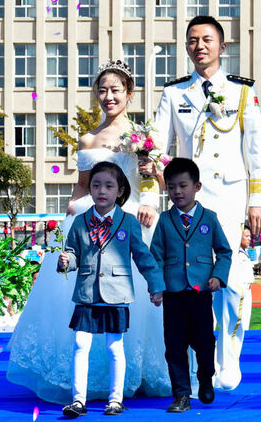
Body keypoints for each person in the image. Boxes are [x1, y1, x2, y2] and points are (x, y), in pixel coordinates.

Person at [7, 61, 169, 403]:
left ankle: (134, 375)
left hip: (130, 222)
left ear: (129, 93)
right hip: (90, 223)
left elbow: (152, 178)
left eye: (116, 90)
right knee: (81, 298)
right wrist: (71, 210)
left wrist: (150, 202)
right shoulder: (87, 138)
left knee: (133, 302)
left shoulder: (142, 136)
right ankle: (87, 381)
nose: (108, 97)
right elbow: (82, 187)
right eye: (102, 90)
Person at [150, 15, 261, 389]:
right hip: (188, 205)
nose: (199, 46)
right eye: (191, 41)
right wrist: (153, 194)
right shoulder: (174, 94)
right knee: (190, 288)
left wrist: (258, 201)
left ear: (221, 46)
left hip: (231, 202)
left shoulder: (242, 92)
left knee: (231, 283)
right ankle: (198, 366)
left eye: (206, 39)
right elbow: (154, 149)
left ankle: (228, 360)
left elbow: (256, 150)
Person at [58, 162, 165, 417]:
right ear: (90, 190)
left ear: (119, 191)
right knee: (80, 344)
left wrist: (156, 287)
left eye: (108, 185)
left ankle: (115, 400)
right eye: (96, 185)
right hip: (86, 294)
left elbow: (144, 257)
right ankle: (78, 401)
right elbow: (73, 254)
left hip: (116, 295)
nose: (101, 191)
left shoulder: (128, 222)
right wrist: (66, 262)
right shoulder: (80, 222)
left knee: (114, 347)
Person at [149, 158, 233, 413]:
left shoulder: (210, 218)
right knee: (174, 346)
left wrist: (218, 277)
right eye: (171, 186)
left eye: (183, 185)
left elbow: (225, 252)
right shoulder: (164, 220)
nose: (177, 192)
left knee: (205, 343)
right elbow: (155, 256)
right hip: (173, 293)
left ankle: (206, 377)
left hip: (201, 293)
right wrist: (156, 286)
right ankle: (181, 395)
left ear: (197, 186)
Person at [231, 225, 255, 331]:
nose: (249, 239)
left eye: (250, 236)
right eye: (246, 236)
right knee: (238, 321)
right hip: (240, 289)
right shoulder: (235, 253)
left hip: (247, 290)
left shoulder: (244, 252)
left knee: (245, 321)